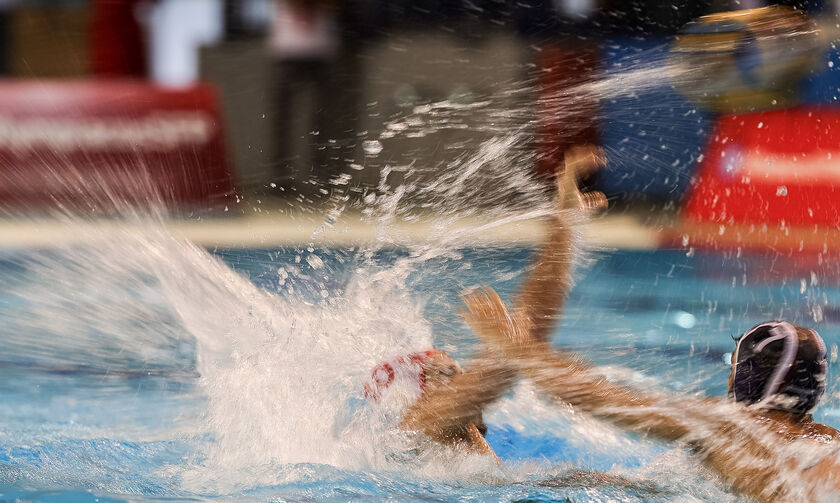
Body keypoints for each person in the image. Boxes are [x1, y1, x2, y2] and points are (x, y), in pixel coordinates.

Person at [459, 265, 840, 500]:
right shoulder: (829, 443)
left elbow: (597, 397)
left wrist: (513, 345)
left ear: (745, 379)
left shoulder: (730, 428)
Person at [362, 145, 609, 459]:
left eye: (457, 370)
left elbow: (527, 340)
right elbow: (525, 340)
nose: (464, 375)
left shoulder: (451, 454)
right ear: (419, 401)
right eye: (447, 375)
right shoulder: (424, 424)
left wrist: (564, 218)